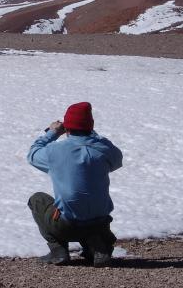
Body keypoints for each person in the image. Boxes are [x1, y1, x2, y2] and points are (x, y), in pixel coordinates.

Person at [26, 101, 123, 267]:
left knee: (38, 199)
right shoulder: (104, 150)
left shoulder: (56, 151)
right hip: (100, 224)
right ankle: (96, 245)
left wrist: (52, 133)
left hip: (67, 226)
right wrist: (91, 136)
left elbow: (32, 155)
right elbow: (116, 160)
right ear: (90, 125)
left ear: (67, 127)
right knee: (91, 210)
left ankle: (58, 250)